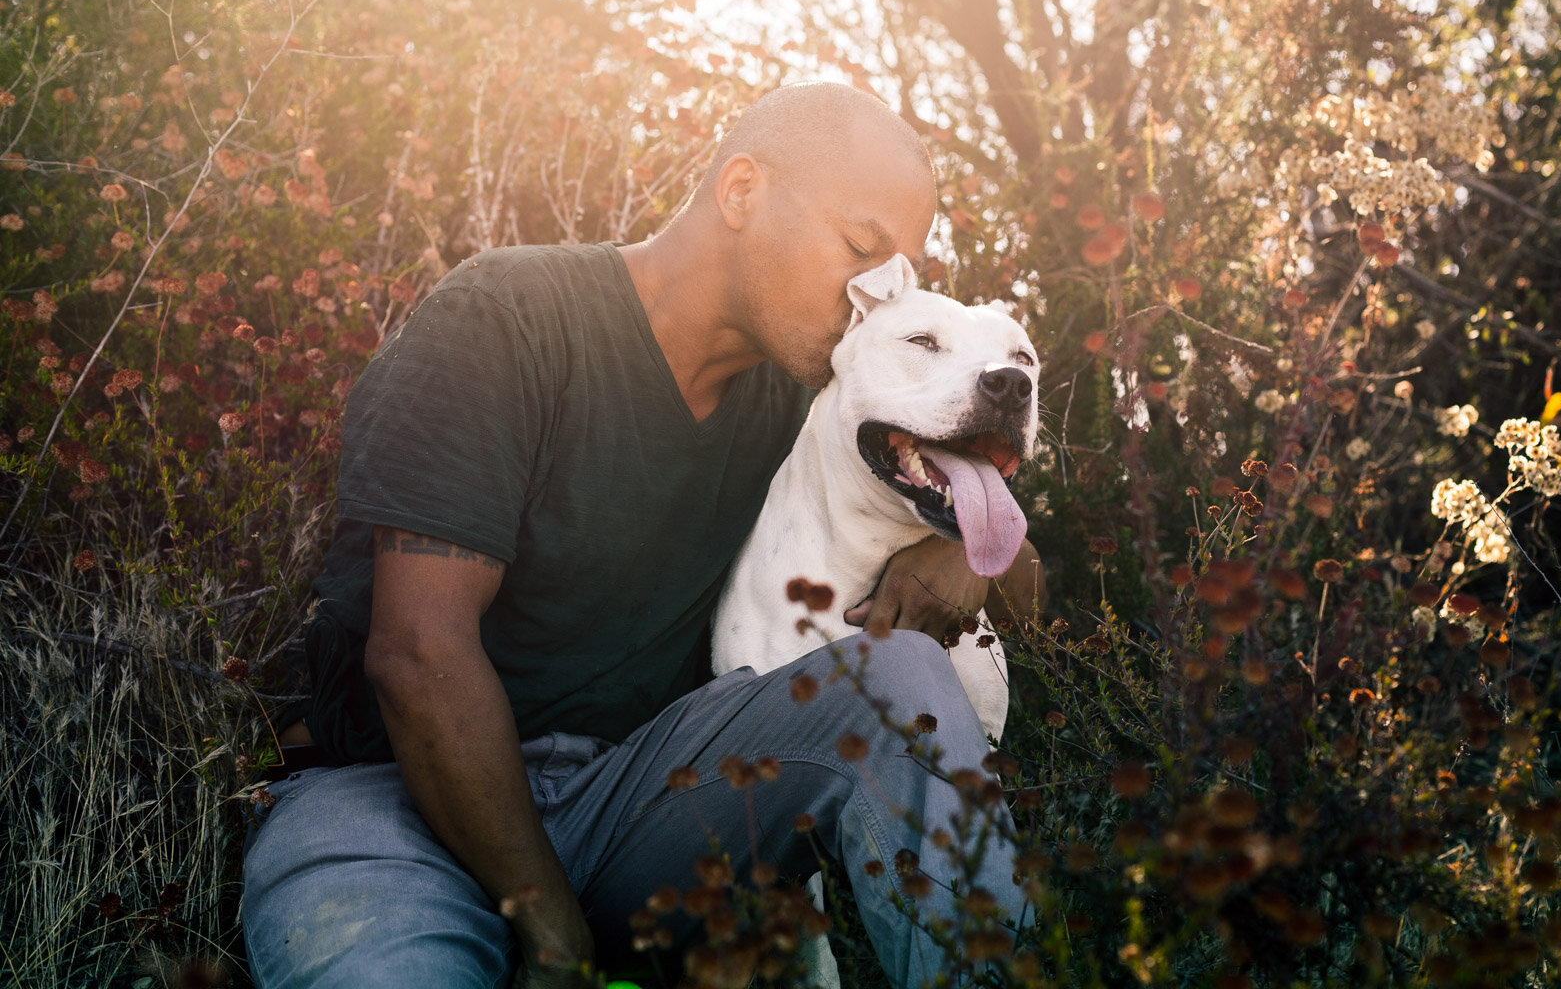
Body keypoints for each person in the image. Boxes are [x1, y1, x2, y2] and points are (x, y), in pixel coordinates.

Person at [240, 82, 1038, 988]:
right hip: (389, 806)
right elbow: (418, 653)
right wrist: (551, 926)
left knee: (905, 679)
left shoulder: (810, 396)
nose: (876, 290)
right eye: (861, 248)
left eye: (899, 271)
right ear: (741, 192)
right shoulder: (506, 319)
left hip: (638, 799)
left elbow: (1003, 544)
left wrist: (954, 541)